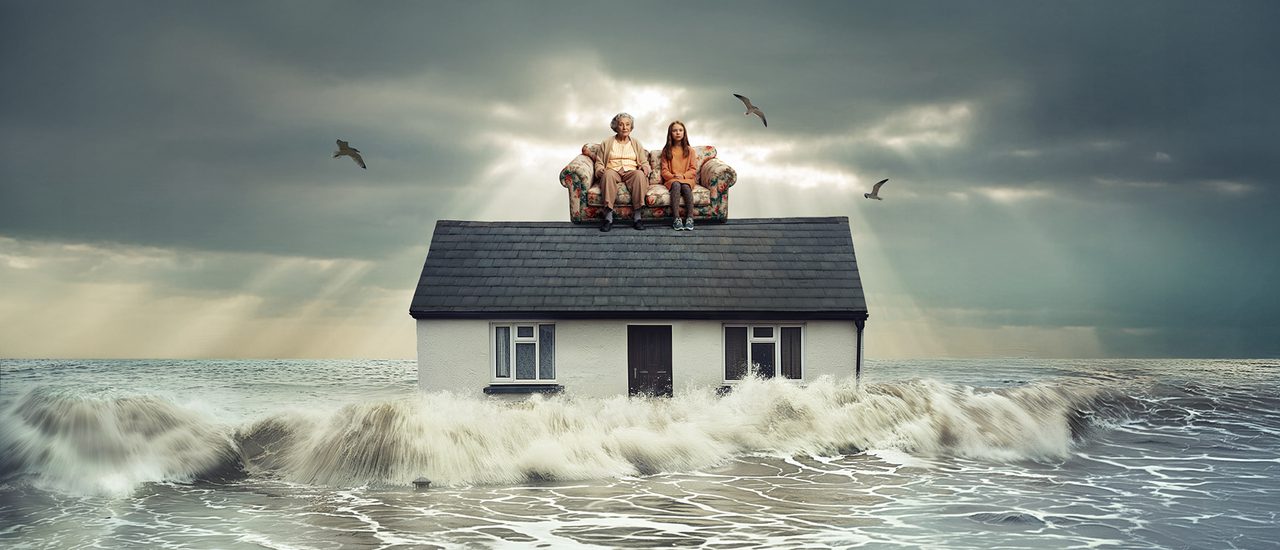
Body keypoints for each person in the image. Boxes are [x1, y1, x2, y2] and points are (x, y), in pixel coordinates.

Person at [593, 113, 651, 232]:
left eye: (628, 124)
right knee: (608, 174)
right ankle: (608, 218)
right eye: (621, 124)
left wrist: (645, 167)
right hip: (612, 170)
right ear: (615, 127)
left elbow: (644, 162)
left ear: (631, 127)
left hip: (631, 171)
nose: (625, 127)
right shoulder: (607, 142)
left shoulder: (636, 143)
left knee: (639, 175)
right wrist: (600, 170)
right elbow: (599, 162)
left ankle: (637, 218)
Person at [660, 121, 698, 231]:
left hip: (687, 179)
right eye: (675, 130)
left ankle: (690, 218)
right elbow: (664, 170)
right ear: (670, 133)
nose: (678, 133)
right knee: (676, 185)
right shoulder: (666, 150)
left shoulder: (690, 150)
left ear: (684, 133)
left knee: (685, 187)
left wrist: (683, 175)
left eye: (680, 130)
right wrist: (673, 176)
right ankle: (676, 219)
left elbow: (693, 169)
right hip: (672, 179)